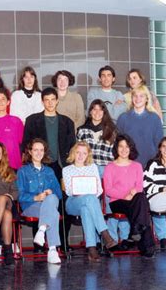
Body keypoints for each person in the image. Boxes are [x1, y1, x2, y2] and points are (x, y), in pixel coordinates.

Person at [22, 87, 76, 250]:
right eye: (47, 99)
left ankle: (62, 243)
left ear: (57, 100)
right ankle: (39, 243)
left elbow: (72, 148)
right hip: (40, 165)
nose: (50, 102)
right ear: (42, 101)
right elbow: (26, 145)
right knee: (39, 199)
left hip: (62, 167)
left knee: (61, 203)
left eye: (53, 99)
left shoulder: (67, 122)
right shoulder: (32, 120)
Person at [77, 99, 130, 248]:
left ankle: (112, 239)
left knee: (110, 203)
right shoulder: (82, 130)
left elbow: (117, 152)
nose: (97, 112)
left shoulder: (112, 130)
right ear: (90, 112)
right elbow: (78, 153)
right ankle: (95, 239)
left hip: (108, 169)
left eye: (100, 110)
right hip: (88, 170)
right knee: (92, 204)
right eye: (93, 109)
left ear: (104, 112)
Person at [117, 86, 166, 246]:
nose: (138, 99)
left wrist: (157, 165)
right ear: (131, 99)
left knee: (152, 199)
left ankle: (162, 236)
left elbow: (159, 143)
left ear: (146, 99)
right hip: (128, 167)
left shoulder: (154, 119)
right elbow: (120, 145)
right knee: (130, 199)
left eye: (141, 96)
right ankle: (128, 237)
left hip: (149, 166)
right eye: (135, 96)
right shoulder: (123, 118)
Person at [62, 142, 118, 262]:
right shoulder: (66, 170)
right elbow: (70, 191)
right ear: (73, 153)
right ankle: (105, 234)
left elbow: (99, 190)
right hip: (73, 202)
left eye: (84, 153)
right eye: (78, 152)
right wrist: (86, 193)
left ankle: (92, 249)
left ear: (88, 155)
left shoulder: (92, 167)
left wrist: (88, 195)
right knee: (89, 199)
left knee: (87, 207)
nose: (81, 156)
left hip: (89, 202)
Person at [103, 134, 156, 258]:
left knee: (140, 199)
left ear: (131, 148)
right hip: (117, 202)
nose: (124, 149)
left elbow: (139, 186)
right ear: (116, 148)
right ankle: (143, 241)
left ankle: (137, 234)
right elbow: (109, 190)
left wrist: (132, 194)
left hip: (134, 200)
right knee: (141, 204)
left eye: (127, 146)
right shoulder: (110, 167)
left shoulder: (137, 166)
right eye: (121, 146)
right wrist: (125, 195)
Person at [17, 138, 63, 264]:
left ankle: (42, 230)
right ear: (30, 152)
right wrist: (35, 198)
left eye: (41, 150)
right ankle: (52, 250)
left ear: (44, 152)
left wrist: (50, 192)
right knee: (54, 213)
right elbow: (19, 195)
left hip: (48, 204)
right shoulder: (23, 171)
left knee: (52, 198)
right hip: (30, 206)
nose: (38, 153)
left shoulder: (49, 171)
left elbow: (59, 194)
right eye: (35, 150)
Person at [0, 88, 24, 170]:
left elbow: (23, 144)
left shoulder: (16, 121)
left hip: (13, 165)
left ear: (8, 102)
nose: (0, 102)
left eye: (3, 99)